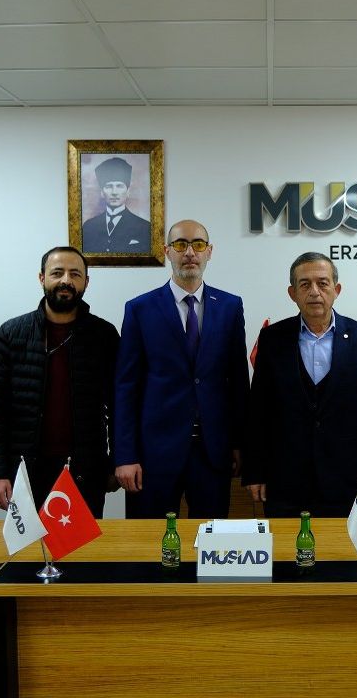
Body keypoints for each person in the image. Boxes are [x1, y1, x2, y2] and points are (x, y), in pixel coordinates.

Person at [114, 219, 248, 518]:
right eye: (180, 244)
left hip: (213, 452)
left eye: (198, 244)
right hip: (153, 454)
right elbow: (125, 388)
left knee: (211, 539)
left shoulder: (229, 307)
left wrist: (240, 444)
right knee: (150, 542)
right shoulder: (140, 309)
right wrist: (125, 455)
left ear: (209, 252)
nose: (189, 252)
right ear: (167, 251)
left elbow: (238, 382)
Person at [243, 252, 357, 518]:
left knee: (340, 545)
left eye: (322, 283)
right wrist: (255, 472)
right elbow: (259, 411)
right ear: (292, 293)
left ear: (336, 289)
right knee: (287, 545)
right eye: (305, 284)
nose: (314, 292)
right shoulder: (272, 339)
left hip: (346, 478)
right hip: (284, 478)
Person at [0, 246, 120, 517]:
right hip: (25, 473)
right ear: (42, 278)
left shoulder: (103, 335)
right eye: (57, 273)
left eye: (75, 274)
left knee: (83, 546)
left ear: (86, 282)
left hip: (86, 472)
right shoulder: (12, 333)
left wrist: (116, 462)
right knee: (29, 546)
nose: (66, 280)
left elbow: (119, 406)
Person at [81, 157, 153, 254]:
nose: (114, 192)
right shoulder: (89, 227)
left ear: (128, 191)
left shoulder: (144, 227)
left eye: (119, 186)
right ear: (102, 192)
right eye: (109, 186)